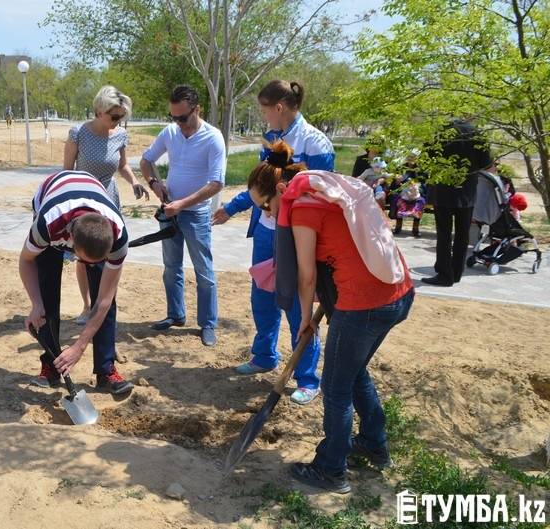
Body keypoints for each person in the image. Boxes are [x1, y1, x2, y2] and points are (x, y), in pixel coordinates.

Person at [247, 140, 414, 494]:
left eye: (266, 205)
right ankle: (373, 443)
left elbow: (307, 275)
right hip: (397, 292)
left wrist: (305, 319)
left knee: (336, 388)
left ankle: (330, 469)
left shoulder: (305, 207)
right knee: (353, 374)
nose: (268, 214)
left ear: (280, 189)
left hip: (363, 304)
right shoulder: (327, 190)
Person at [212, 80, 330, 405]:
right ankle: (264, 354)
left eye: (264, 110)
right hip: (265, 232)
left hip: (294, 236)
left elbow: (321, 196)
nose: (264, 117)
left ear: (279, 107)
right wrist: (232, 208)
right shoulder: (272, 141)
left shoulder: (315, 143)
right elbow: (261, 184)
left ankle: (307, 376)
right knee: (262, 298)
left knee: (295, 305)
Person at [19, 169, 134, 395]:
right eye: (83, 260)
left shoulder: (118, 237)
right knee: (47, 296)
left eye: (97, 260)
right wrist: (36, 304)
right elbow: (25, 260)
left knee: (107, 303)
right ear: (70, 243)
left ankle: (106, 370)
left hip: (91, 196)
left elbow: (103, 300)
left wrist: (79, 347)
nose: (89, 265)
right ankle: (51, 366)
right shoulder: (47, 226)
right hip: (51, 195)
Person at [140, 85, 226, 347]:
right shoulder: (170, 133)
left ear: (196, 110)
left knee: (204, 272)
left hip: (197, 215)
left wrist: (183, 204)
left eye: (182, 117)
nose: (178, 123)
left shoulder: (213, 138)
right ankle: (175, 315)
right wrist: (155, 185)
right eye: (173, 117)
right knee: (171, 268)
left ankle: (208, 323)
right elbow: (145, 161)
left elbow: (216, 183)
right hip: (170, 212)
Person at [64, 85, 149, 325]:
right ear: (99, 111)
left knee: (109, 253)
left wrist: (134, 182)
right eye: (114, 116)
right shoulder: (78, 133)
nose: (118, 121)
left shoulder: (120, 136)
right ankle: (87, 305)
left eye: (122, 117)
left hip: (109, 198)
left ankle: (105, 303)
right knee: (84, 255)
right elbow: (67, 171)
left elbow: (122, 165)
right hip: (83, 197)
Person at [422, 119, 493, 287]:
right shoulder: (477, 134)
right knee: (462, 234)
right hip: (467, 191)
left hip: (443, 190)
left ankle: (444, 274)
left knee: (444, 234)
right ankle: (456, 273)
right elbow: (486, 163)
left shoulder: (440, 132)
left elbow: (426, 159)